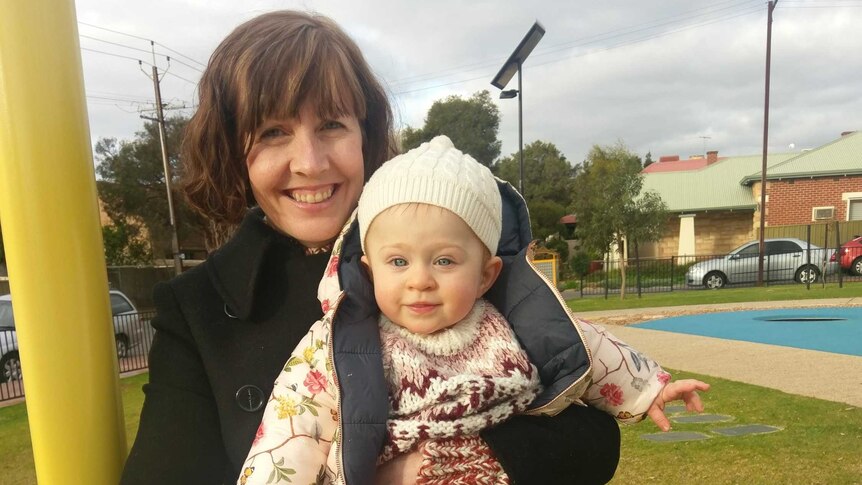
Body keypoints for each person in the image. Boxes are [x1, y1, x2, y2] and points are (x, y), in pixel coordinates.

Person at [120, 10, 636, 485]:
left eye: (331, 125)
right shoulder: (197, 309)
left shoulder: (451, 244)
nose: (311, 162)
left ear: (365, 134)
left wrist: (443, 467)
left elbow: (591, 439)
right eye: (274, 132)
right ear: (235, 150)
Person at [238, 136, 710, 485]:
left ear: (485, 274)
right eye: (398, 261)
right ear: (369, 268)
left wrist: (650, 389)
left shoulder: (514, 322)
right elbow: (293, 428)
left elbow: (589, 350)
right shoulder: (337, 343)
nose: (420, 279)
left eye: (444, 261)